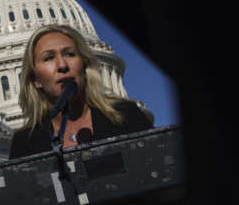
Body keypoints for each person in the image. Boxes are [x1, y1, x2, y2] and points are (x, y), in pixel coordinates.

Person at [9, 25, 153, 159]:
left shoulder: (125, 116)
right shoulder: (25, 142)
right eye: (49, 58)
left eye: (70, 54)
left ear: (84, 67)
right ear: (36, 80)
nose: (62, 65)